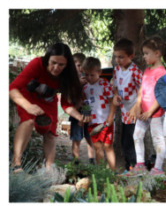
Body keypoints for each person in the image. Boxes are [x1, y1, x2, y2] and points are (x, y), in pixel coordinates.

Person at [10, 43, 88, 171]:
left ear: (67, 64)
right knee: (28, 121)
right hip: (27, 97)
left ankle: (49, 169)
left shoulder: (68, 76)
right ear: (48, 59)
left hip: (48, 101)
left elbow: (66, 104)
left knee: (51, 133)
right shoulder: (37, 64)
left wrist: (79, 116)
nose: (56, 67)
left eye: (61, 65)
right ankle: (16, 164)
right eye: (53, 62)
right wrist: (28, 106)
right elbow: (12, 88)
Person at [132, 36, 166, 175]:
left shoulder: (162, 73)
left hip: (155, 114)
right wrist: (138, 105)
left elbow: (161, 95)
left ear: (157, 53)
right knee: (137, 135)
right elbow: (142, 89)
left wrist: (150, 112)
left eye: (146, 53)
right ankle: (140, 164)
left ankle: (158, 169)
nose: (144, 56)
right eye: (143, 53)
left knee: (157, 139)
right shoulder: (147, 70)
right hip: (144, 112)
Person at [111, 38, 143, 173]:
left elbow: (143, 87)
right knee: (125, 141)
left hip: (133, 111)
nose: (118, 60)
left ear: (131, 56)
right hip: (124, 110)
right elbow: (116, 86)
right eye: (116, 56)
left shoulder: (134, 71)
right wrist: (116, 95)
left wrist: (137, 105)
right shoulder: (117, 69)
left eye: (121, 57)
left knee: (129, 141)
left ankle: (133, 167)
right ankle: (129, 166)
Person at [81, 57, 117, 170]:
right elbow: (85, 105)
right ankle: (101, 173)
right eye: (86, 75)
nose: (89, 78)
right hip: (92, 123)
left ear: (99, 72)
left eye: (92, 75)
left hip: (105, 121)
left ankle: (112, 172)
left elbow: (113, 101)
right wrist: (82, 119)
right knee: (97, 147)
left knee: (108, 147)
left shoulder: (104, 84)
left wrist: (111, 117)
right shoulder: (85, 88)